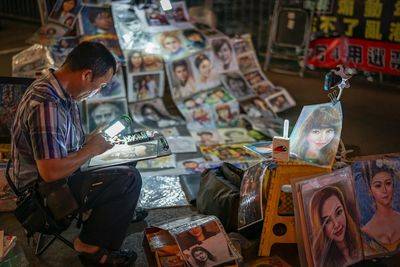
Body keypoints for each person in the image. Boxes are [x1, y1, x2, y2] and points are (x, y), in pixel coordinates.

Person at [11, 42, 141, 266]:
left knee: (129, 154)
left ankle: (104, 213)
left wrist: (95, 140)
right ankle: (89, 246)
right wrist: (92, 149)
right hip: (42, 191)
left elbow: (68, 143)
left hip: (59, 173)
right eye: (100, 85)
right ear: (86, 74)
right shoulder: (46, 104)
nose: (97, 91)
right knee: (128, 180)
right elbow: (50, 172)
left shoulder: (62, 92)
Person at [309, 186, 363, 267]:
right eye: (327, 221)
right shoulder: (323, 263)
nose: (336, 225)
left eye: (338, 212)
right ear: (320, 227)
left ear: (345, 211)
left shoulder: (363, 242)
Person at [360, 161, 400, 253]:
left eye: (388, 183)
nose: (384, 190)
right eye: (378, 185)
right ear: (370, 190)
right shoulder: (366, 231)